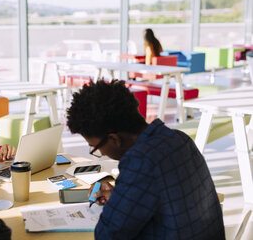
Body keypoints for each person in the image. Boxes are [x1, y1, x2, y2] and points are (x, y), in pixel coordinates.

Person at [66, 80, 225, 239]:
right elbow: (163, 196)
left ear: (114, 139)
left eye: (95, 148)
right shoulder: (179, 138)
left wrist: (118, 202)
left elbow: (107, 235)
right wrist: (120, 196)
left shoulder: (140, 162)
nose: (101, 153)